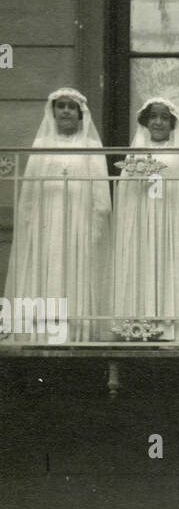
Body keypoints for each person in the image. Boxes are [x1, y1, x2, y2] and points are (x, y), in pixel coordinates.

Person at [5, 87, 111, 343]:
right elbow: (29, 189)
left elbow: (100, 192)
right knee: (47, 269)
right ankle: (41, 331)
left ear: (80, 113)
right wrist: (28, 222)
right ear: (53, 111)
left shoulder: (91, 146)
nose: (65, 111)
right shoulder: (42, 145)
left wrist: (96, 226)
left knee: (75, 271)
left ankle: (76, 332)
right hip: (46, 222)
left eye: (71, 107)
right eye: (60, 106)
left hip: (79, 222)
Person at [111, 97, 179, 341]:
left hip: (169, 221)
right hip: (142, 220)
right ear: (146, 122)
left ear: (172, 123)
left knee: (168, 266)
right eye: (153, 117)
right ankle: (137, 326)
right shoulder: (136, 153)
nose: (158, 122)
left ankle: (168, 329)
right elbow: (126, 191)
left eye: (164, 117)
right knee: (142, 264)